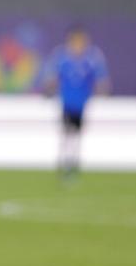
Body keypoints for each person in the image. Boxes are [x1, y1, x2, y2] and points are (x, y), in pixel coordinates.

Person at [43, 26, 110, 180]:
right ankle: (64, 163)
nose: (78, 45)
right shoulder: (62, 57)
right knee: (66, 134)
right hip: (67, 102)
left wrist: (103, 90)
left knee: (77, 136)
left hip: (81, 104)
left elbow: (101, 79)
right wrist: (49, 89)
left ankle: (73, 163)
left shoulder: (92, 58)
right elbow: (51, 76)